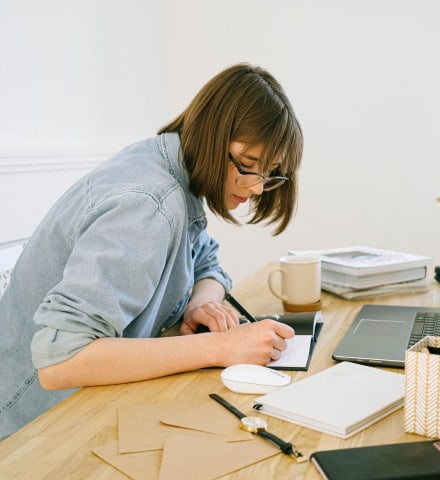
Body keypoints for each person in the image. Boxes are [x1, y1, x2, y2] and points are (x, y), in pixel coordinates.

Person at [0, 62, 303, 440]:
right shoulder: (149, 205)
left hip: (90, 407)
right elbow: (61, 359)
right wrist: (219, 346)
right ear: (212, 134)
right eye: (249, 165)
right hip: (28, 429)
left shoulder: (173, 169)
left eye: (269, 172)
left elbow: (207, 261)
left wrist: (200, 306)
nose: (258, 188)